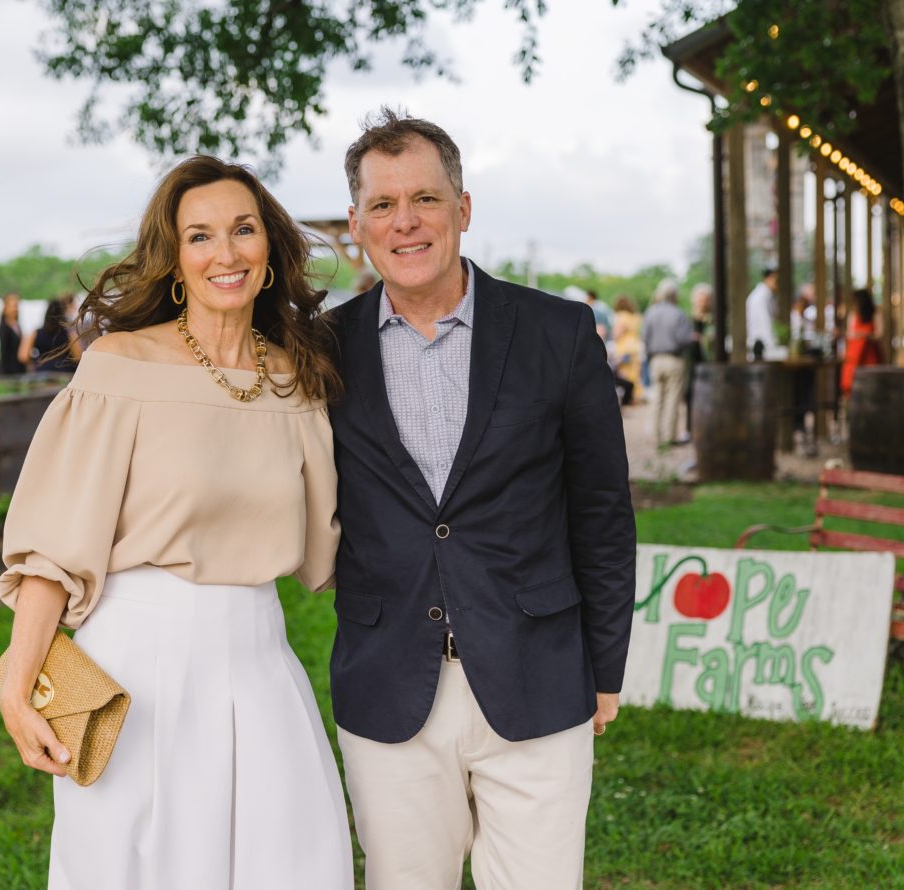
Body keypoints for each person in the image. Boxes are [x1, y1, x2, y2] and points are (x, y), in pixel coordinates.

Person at [0, 156, 353, 889]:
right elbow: (54, 548)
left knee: (290, 863)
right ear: (176, 259)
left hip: (260, 667)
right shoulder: (119, 368)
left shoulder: (296, 380)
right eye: (200, 236)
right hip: (136, 671)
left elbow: (338, 544)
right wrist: (17, 678)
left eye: (243, 230)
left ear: (270, 249)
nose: (225, 252)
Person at [328, 108, 636, 890]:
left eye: (426, 199)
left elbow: (601, 511)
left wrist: (606, 669)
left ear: (462, 209)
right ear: (357, 223)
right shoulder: (320, 352)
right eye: (384, 205)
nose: (407, 222)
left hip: (539, 672)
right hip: (387, 679)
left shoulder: (559, 333)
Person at [642, 278, 694, 447]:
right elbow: (684, 339)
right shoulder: (678, 313)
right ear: (673, 295)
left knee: (657, 399)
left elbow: (644, 337)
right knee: (672, 399)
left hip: (655, 360)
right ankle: (669, 437)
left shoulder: (650, 313)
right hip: (674, 359)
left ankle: (657, 437)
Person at [18, 296, 83, 372]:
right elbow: (78, 356)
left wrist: (35, 362)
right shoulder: (69, 334)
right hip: (65, 373)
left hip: (43, 373)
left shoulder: (36, 333)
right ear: (62, 314)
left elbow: (23, 356)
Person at [841, 287, 882, 397]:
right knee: (851, 386)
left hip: (870, 357)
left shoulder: (874, 315)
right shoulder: (853, 315)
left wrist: (864, 335)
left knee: (871, 387)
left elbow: (879, 334)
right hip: (854, 357)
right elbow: (849, 334)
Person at [684, 282, 712, 436]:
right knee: (690, 393)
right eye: (699, 298)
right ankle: (690, 427)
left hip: (707, 362)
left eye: (705, 299)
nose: (702, 301)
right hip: (691, 362)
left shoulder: (712, 320)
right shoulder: (688, 319)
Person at [612, 293, 644, 404]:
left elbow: (617, 334)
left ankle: (626, 400)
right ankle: (635, 397)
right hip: (635, 349)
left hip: (624, 349)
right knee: (634, 375)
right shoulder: (636, 317)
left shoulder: (621, 316)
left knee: (623, 376)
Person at [746, 266, 778, 359]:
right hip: (759, 348)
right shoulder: (759, 297)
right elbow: (765, 324)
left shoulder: (769, 296)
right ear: (768, 278)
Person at [0, 291, 25, 375]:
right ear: (6, 307)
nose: (15, 309)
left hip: (19, 369)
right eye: (13, 306)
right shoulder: (5, 327)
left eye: (16, 306)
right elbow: (5, 353)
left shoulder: (16, 325)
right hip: (10, 371)